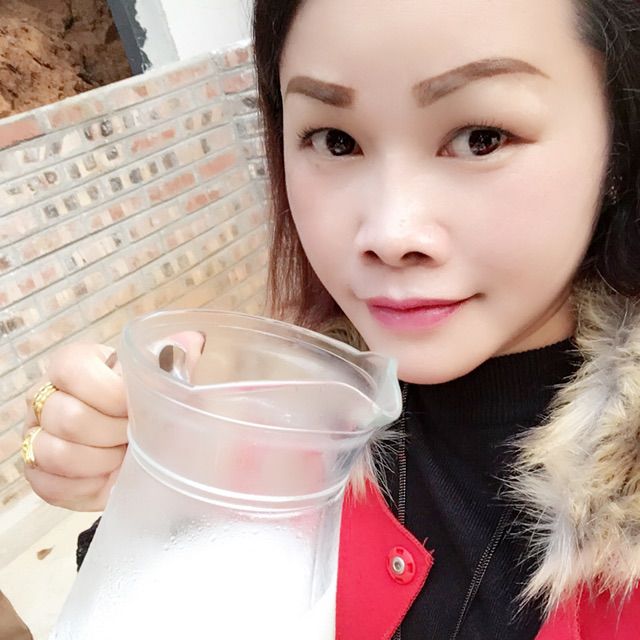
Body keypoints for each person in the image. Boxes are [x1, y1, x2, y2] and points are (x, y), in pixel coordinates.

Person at [21, 0, 640, 637]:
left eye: (480, 138)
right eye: (335, 141)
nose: (391, 234)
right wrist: (146, 493)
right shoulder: (281, 424)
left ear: (619, 141)